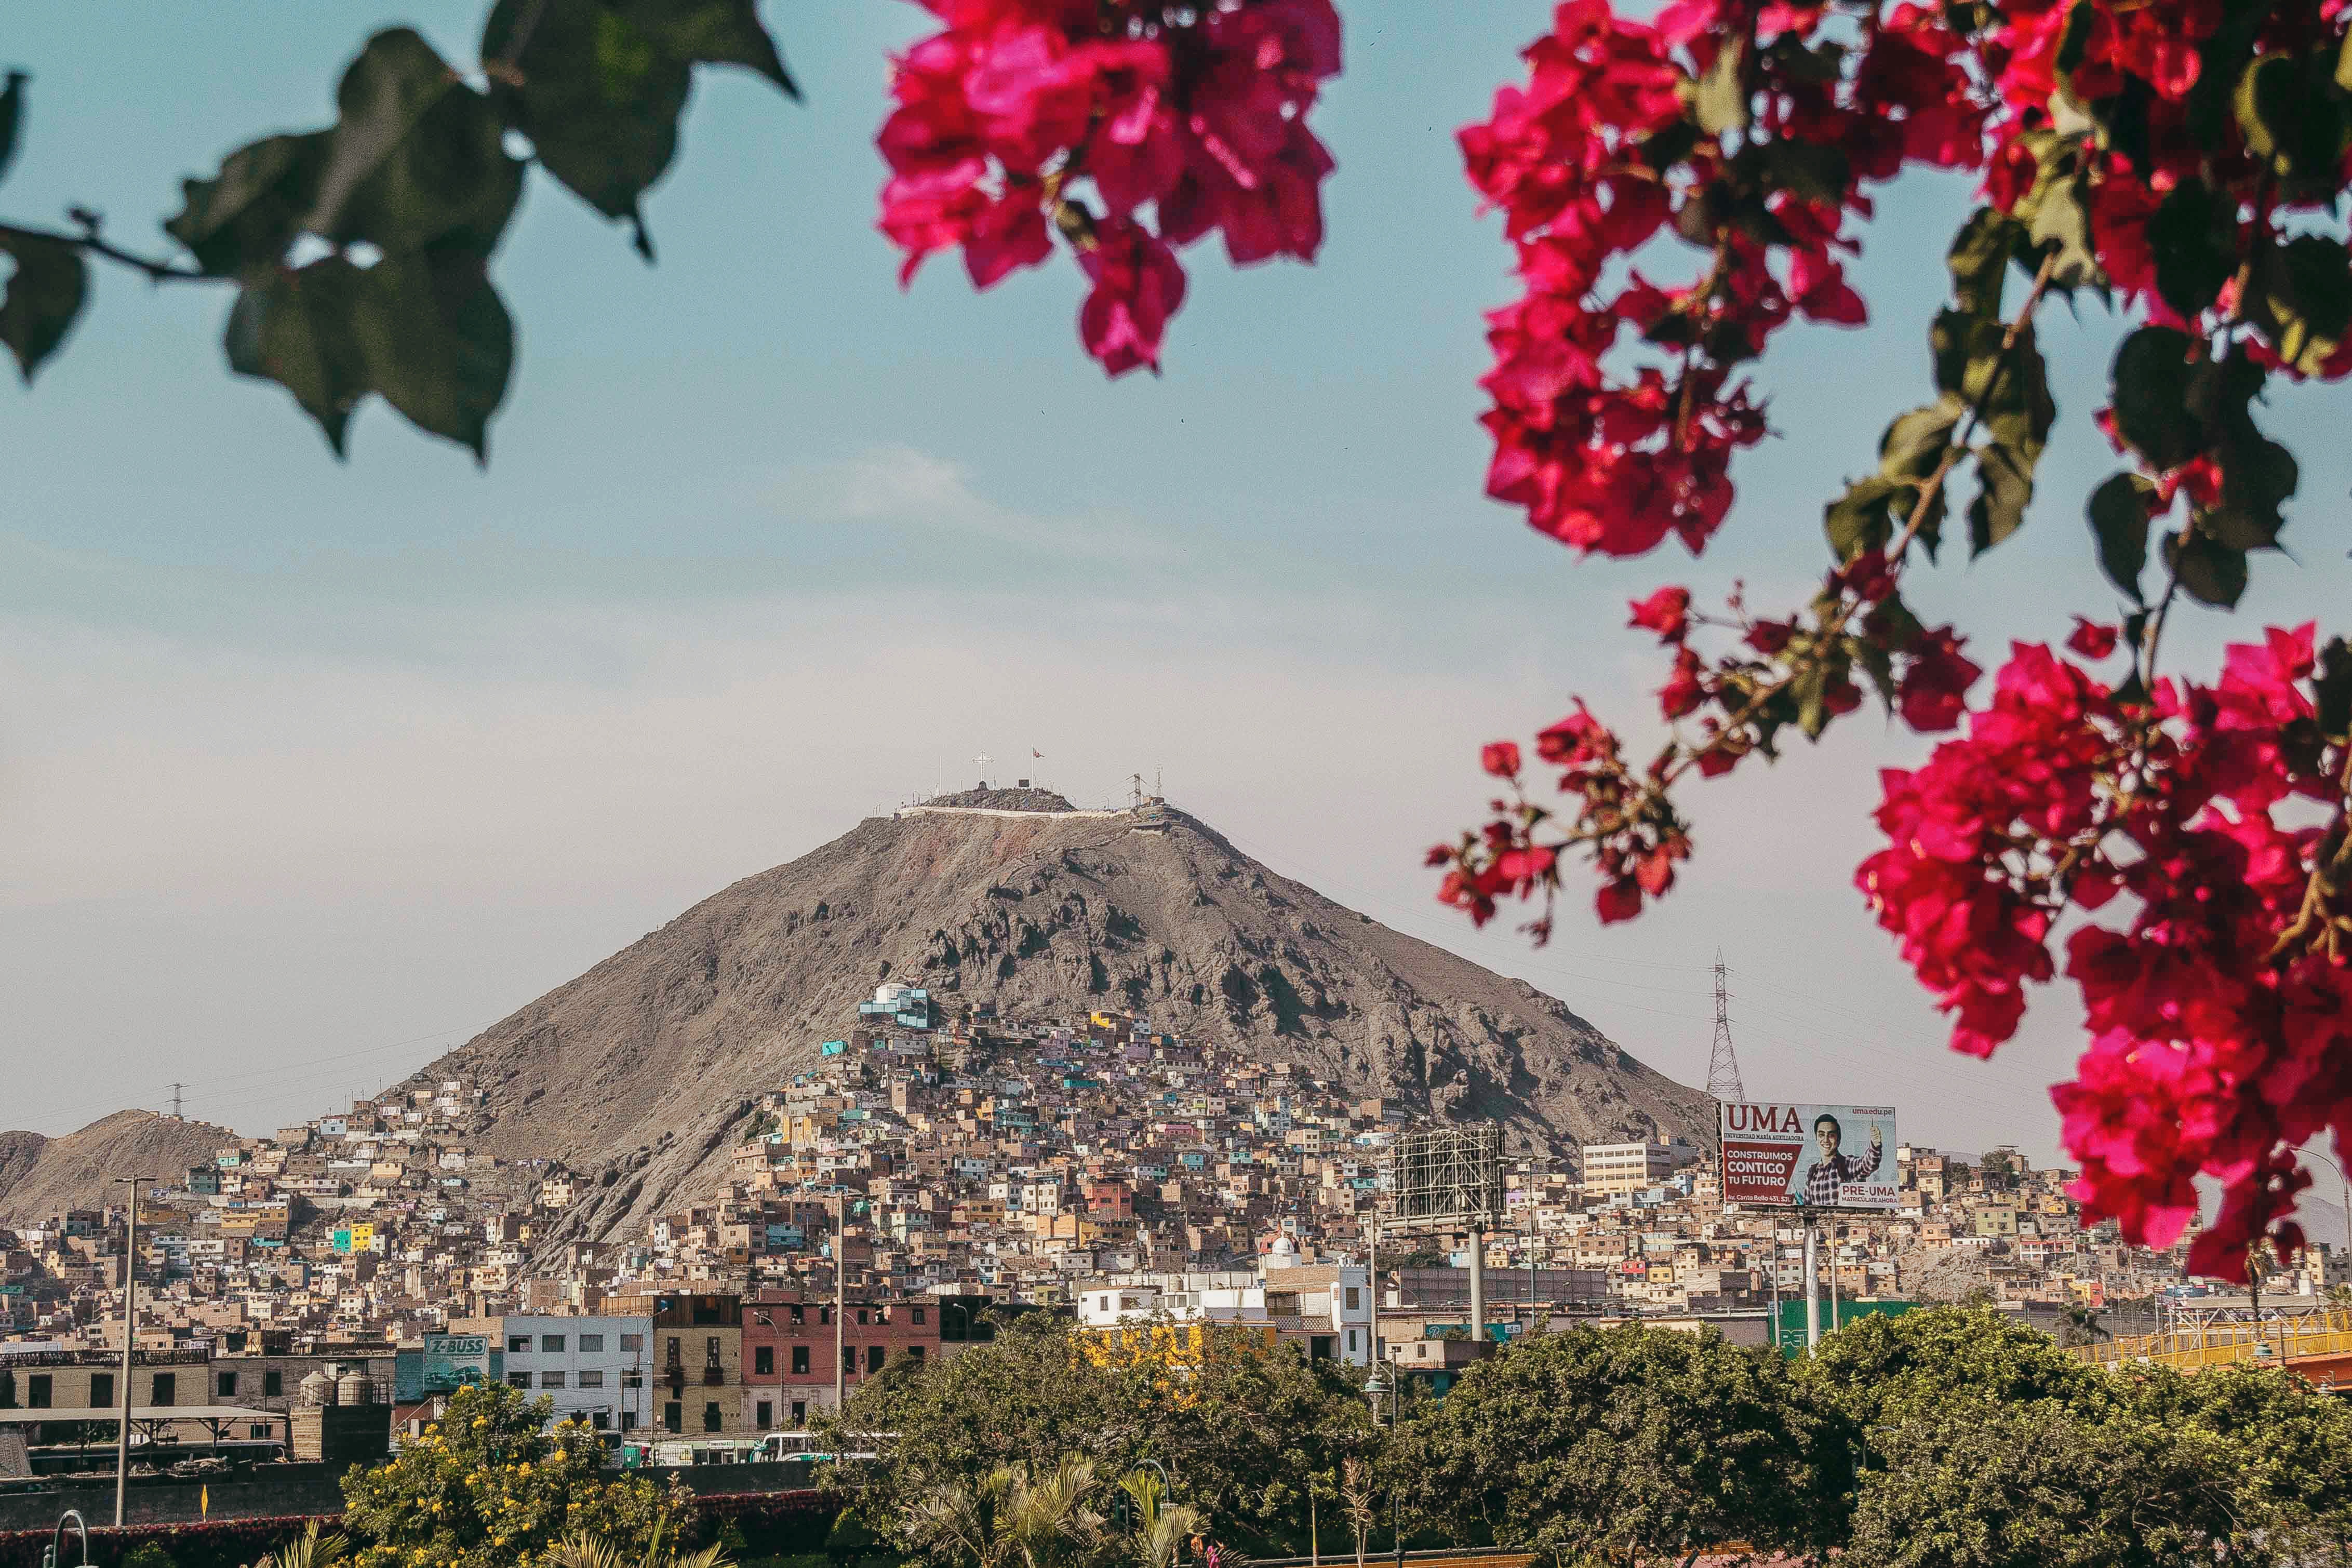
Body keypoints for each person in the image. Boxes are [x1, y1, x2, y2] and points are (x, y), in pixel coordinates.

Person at [1796, 1112, 1882, 1206]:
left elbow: (1868, 1164)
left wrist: (1875, 1146)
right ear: (1816, 1139)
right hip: (1819, 1221)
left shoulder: (1848, 1165)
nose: (1826, 1140)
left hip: (1845, 1220)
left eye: (1831, 1135)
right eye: (1821, 1135)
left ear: (1839, 1139)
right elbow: (1807, 1206)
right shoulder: (1812, 1172)